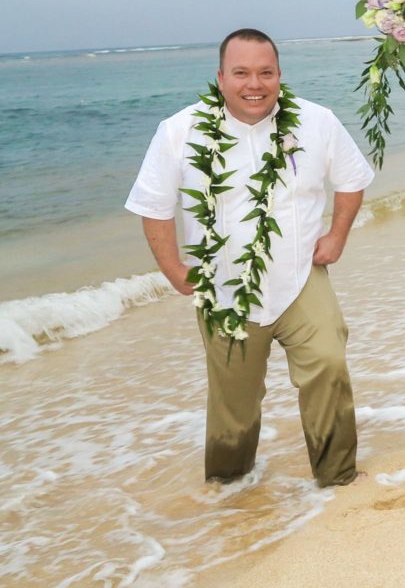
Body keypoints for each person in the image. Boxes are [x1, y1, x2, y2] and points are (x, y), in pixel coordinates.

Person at [125, 28, 374, 486]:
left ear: (280, 75)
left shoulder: (316, 121)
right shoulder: (179, 130)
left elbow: (353, 177)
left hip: (302, 276)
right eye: (241, 73)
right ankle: (229, 493)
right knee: (234, 405)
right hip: (225, 291)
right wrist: (174, 269)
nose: (253, 84)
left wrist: (337, 235)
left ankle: (338, 479)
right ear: (220, 78)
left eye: (265, 72)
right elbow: (152, 207)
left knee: (328, 364)